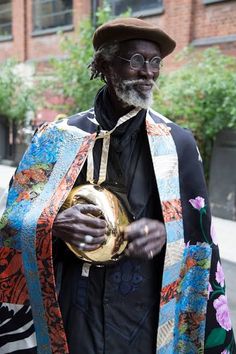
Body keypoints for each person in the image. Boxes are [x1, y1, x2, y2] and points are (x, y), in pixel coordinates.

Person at [0, 17, 235, 354]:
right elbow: (12, 225)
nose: (148, 72)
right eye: (137, 60)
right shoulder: (56, 139)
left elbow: (200, 245)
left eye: (155, 63)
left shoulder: (178, 143)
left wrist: (167, 234)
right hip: (73, 311)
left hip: (147, 315)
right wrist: (53, 224)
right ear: (106, 65)